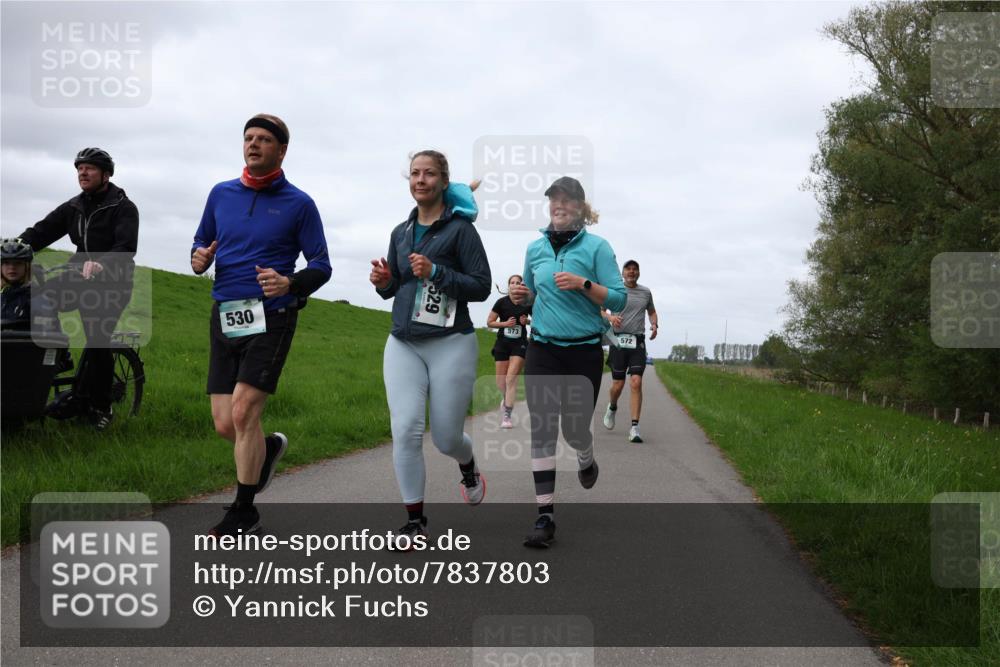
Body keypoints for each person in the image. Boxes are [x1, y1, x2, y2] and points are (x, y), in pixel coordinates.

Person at [192, 114, 331, 537]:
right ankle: (266, 449)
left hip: (272, 315)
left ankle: (244, 511)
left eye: (264, 139)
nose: (253, 144)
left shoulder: (299, 203)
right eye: (248, 137)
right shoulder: (221, 194)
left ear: (281, 150)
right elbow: (201, 242)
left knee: (243, 411)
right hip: (226, 314)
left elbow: (321, 265)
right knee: (226, 423)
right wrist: (199, 258)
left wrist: (290, 283)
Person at [370, 150, 491, 548]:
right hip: (403, 343)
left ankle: (467, 465)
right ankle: (414, 521)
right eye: (415, 173)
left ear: (443, 181)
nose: (420, 180)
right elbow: (396, 287)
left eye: (429, 174)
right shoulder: (400, 232)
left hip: (451, 343)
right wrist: (384, 281)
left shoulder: (460, 231)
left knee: (445, 438)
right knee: (405, 429)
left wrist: (437, 271)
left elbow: (481, 285)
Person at [510, 176, 626, 548]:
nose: (558, 205)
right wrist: (521, 295)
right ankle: (544, 516)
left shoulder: (597, 247)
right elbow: (531, 297)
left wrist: (583, 284)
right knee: (543, 429)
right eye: (553, 200)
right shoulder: (535, 248)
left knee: (574, 430)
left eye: (567, 200)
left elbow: (619, 299)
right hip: (543, 348)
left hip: (584, 351)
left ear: (580, 207)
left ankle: (585, 455)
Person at [16, 148, 139, 430]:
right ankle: (61, 355)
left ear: (105, 175)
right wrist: (13, 249)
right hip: (77, 276)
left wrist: (101, 264)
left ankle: (102, 406)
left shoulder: (123, 207)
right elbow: (41, 231)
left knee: (97, 340)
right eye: (79, 169)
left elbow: (125, 247)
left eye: (89, 168)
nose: (83, 173)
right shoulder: (74, 207)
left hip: (112, 283)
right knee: (37, 297)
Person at [603, 260, 658, 443]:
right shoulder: (614, 290)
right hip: (617, 341)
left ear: (639, 273)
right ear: (623, 272)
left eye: (635, 269)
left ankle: (635, 427)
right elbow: (600, 310)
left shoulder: (645, 292)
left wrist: (654, 324)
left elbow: (651, 311)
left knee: (636, 381)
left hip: (637, 342)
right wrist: (610, 318)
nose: (632, 272)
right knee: (618, 385)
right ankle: (612, 406)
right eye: (628, 269)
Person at [487, 274, 531, 429]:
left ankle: (507, 415)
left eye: (518, 282)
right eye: (512, 282)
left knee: (511, 379)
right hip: (502, 344)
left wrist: (527, 321)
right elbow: (490, 322)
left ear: (522, 286)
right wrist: (505, 324)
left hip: (519, 344)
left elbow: (539, 321)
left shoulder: (527, 303)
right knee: (501, 382)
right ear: (509, 286)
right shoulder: (501, 302)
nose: (515, 284)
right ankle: (506, 399)